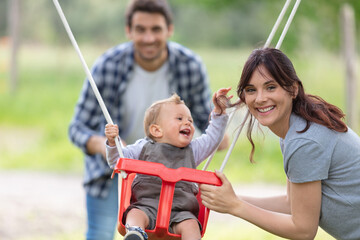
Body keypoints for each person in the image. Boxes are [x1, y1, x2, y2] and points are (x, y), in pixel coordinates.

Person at [68, 0, 228, 239]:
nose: (149, 38)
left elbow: (210, 128)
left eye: (156, 29)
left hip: (175, 178)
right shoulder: (108, 66)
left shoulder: (189, 66)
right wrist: (108, 144)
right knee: (103, 231)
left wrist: (219, 120)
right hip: (118, 166)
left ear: (169, 29)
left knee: (183, 225)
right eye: (141, 29)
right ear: (129, 30)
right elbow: (77, 128)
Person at [200, 48, 360, 240]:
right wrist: (229, 199)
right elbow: (291, 203)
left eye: (270, 87)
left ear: (293, 89)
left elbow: (304, 230)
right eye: (251, 90)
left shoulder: (303, 140)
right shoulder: (297, 127)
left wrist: (235, 206)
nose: (260, 98)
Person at [105, 88, 231, 240]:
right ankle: (136, 234)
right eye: (179, 119)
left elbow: (212, 139)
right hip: (146, 206)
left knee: (191, 224)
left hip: (181, 212)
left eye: (189, 120)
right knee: (134, 213)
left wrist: (219, 113)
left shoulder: (193, 150)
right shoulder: (143, 147)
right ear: (157, 130)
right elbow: (117, 160)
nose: (187, 123)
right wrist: (113, 143)